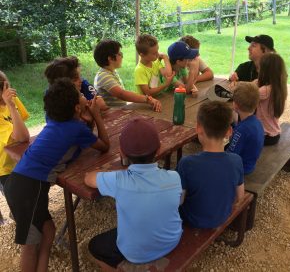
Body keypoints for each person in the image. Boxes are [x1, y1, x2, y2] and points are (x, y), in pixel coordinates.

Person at [4, 78, 109, 272]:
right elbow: (104, 146)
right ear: (77, 108)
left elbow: (84, 138)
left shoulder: (56, 120)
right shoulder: (75, 128)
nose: (84, 95)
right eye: (80, 95)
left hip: (21, 184)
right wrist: (96, 115)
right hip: (29, 188)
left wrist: (88, 117)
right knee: (30, 247)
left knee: (49, 231)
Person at [84, 118, 182, 270]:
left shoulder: (119, 181)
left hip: (135, 254)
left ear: (122, 152)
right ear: (159, 148)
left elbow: (88, 178)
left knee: (94, 245)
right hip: (172, 241)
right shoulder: (174, 177)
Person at [177, 101, 244, 229]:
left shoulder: (187, 163)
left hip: (192, 219)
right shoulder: (236, 161)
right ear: (229, 131)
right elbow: (239, 197)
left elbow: (180, 201)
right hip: (222, 216)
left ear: (198, 128)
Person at [94, 39, 162, 112]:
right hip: (111, 116)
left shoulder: (110, 71)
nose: (122, 56)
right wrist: (148, 99)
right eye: (120, 54)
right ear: (110, 58)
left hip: (119, 111)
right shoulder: (104, 76)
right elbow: (122, 94)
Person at [0, 71, 30, 224]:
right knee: (15, 196)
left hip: (17, 159)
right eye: (5, 87)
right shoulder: (9, 103)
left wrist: (11, 104)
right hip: (4, 167)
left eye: (7, 85)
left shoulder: (10, 100)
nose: (9, 90)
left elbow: (22, 121)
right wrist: (11, 105)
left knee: (22, 194)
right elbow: (23, 136)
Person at [44, 56, 108, 112]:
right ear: (60, 85)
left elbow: (101, 104)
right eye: (75, 79)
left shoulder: (84, 85)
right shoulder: (51, 95)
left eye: (80, 76)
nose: (81, 80)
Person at [226, 82, 264, 174]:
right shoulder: (257, 122)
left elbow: (230, 155)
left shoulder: (242, 130)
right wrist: (233, 124)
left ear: (235, 105)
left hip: (241, 168)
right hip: (250, 163)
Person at [254, 53, 288, 146]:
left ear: (265, 71)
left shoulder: (264, 91)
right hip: (274, 134)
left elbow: (244, 96)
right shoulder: (278, 87)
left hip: (265, 136)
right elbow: (252, 84)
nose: (258, 70)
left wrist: (235, 88)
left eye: (259, 68)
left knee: (236, 135)